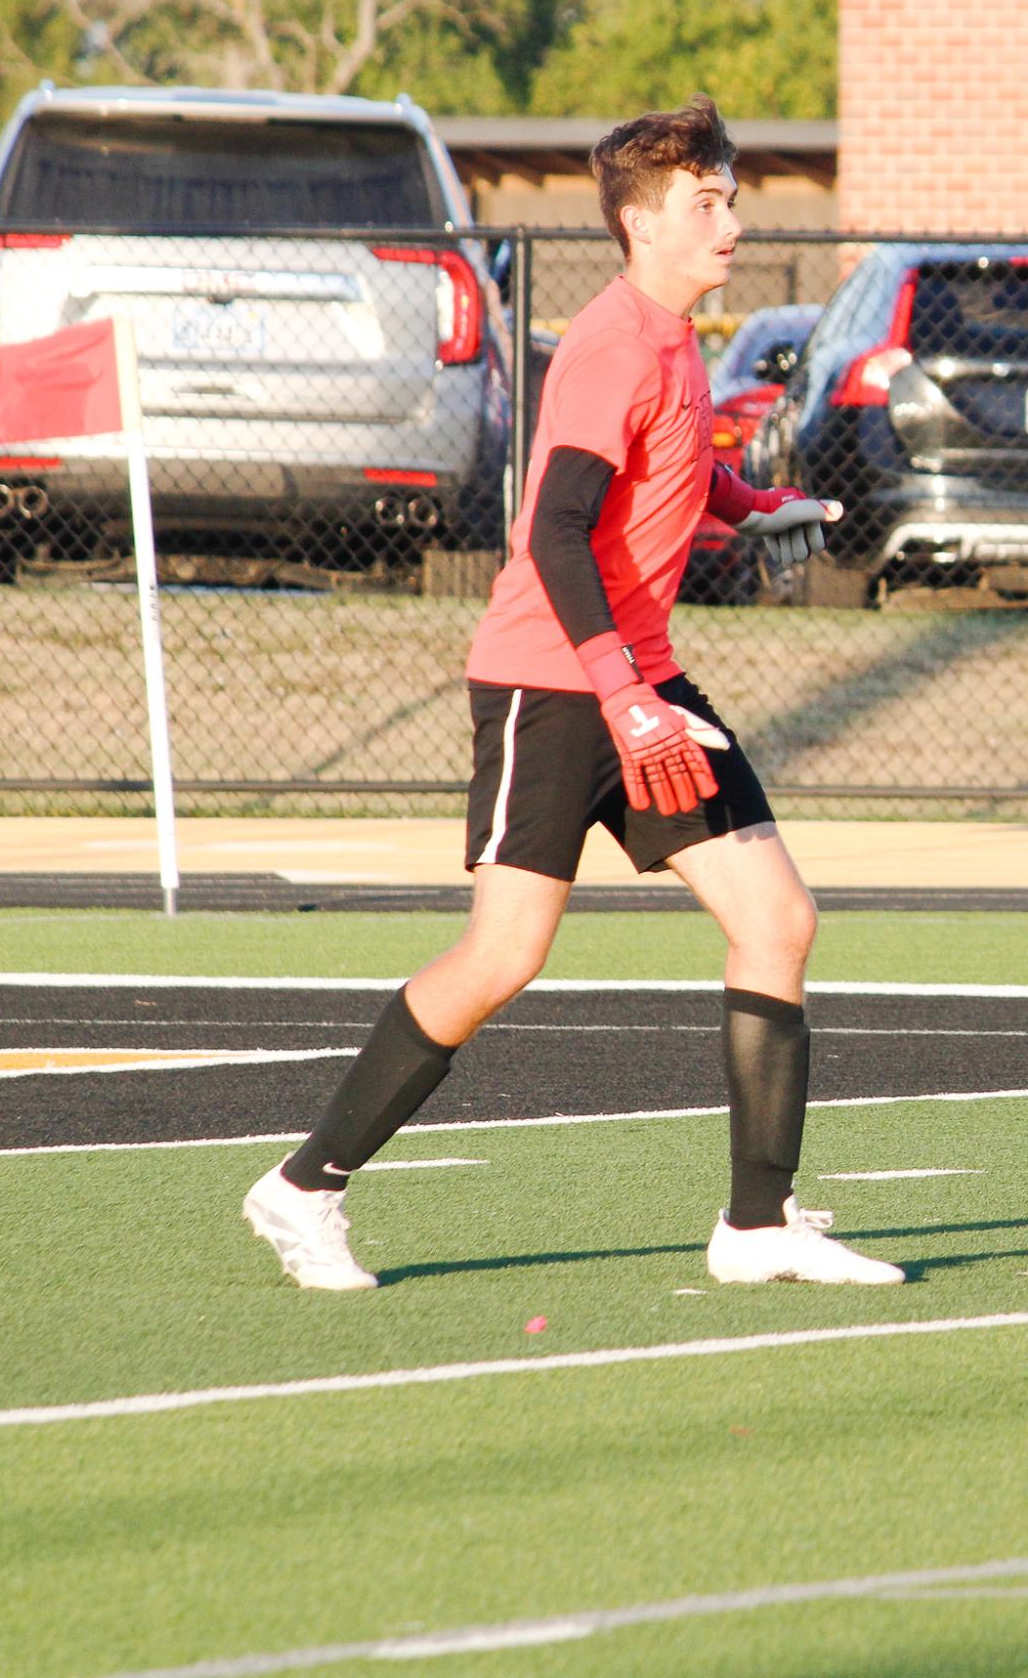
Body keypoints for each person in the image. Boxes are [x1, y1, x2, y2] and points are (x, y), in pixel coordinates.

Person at [243, 95, 904, 1292]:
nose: (731, 221)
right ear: (639, 223)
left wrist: (758, 510)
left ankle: (756, 1227)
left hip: (637, 679)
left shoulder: (676, 336)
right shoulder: (612, 341)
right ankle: (301, 1188)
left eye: (731, 197)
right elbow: (553, 529)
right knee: (504, 955)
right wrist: (622, 693)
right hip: (555, 685)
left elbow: (676, 469)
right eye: (706, 203)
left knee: (777, 922)